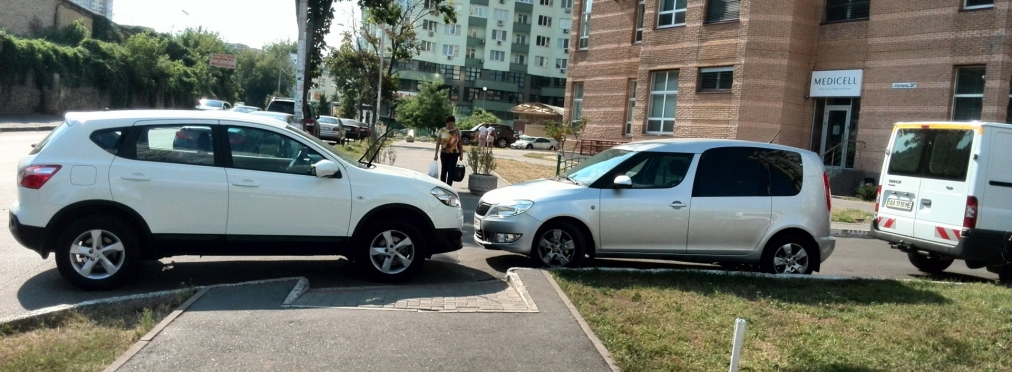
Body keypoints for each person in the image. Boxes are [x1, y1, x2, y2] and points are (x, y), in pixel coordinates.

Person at [434, 115, 464, 186]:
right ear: (446, 123)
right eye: (449, 123)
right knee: (444, 170)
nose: (450, 125)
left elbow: (460, 143)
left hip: (454, 154)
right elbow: (438, 143)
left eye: (452, 123)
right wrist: (436, 154)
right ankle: (443, 185)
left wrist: (461, 153)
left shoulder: (457, 131)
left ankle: (448, 187)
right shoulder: (442, 131)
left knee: (451, 170)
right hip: (444, 153)